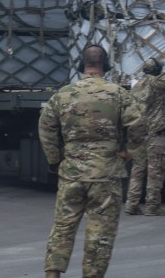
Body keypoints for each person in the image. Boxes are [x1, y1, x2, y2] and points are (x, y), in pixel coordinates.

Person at [38, 44, 144, 278]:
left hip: (72, 172)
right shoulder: (118, 93)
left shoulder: (63, 94)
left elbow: (45, 127)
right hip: (106, 173)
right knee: (100, 232)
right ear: (106, 65)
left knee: (63, 225)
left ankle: (52, 273)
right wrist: (129, 152)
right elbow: (137, 125)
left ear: (81, 65)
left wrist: (56, 159)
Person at [124, 51, 165, 216]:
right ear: (156, 71)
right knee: (156, 169)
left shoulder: (135, 87)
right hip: (155, 132)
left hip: (138, 134)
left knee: (137, 169)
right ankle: (153, 206)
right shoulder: (156, 83)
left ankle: (131, 204)